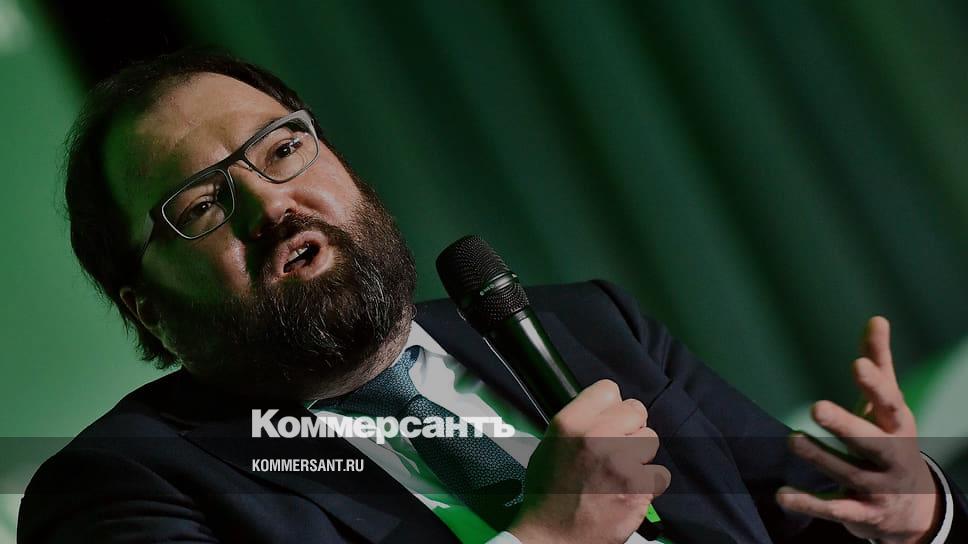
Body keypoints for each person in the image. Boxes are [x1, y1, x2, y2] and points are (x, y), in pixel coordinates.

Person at [18, 49, 965, 544]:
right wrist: (550, 537)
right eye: (200, 205)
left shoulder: (588, 325)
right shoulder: (125, 485)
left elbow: (804, 524)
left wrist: (910, 510)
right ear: (147, 308)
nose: (270, 203)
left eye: (283, 148)